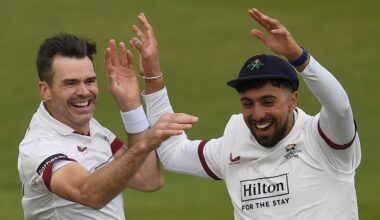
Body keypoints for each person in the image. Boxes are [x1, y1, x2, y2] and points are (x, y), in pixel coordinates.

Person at [129, 9, 361, 220]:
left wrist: (298, 57)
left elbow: (340, 107)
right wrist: (153, 77)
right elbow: (173, 154)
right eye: (248, 103)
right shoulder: (234, 140)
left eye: (268, 101)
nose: (258, 114)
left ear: (292, 100)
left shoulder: (324, 139)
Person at [17, 19, 198, 219]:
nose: (84, 91)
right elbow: (90, 194)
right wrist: (147, 142)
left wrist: (132, 107)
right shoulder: (39, 147)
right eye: (70, 83)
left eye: (90, 81)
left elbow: (148, 179)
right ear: (45, 90)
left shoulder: (92, 128)